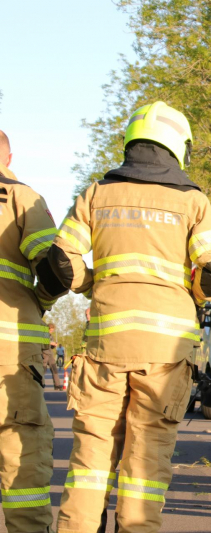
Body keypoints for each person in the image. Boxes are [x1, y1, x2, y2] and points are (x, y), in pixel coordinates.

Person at [50, 102, 211, 533]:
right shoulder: (192, 201)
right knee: (146, 461)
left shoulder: (98, 193)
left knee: (91, 459)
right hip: (165, 355)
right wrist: (188, 294)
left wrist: (92, 282)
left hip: (106, 348)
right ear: (178, 147)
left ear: (132, 142)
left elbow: (60, 258)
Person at [0, 129, 67, 532]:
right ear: (8, 157)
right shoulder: (21, 197)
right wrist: (38, 301)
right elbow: (55, 268)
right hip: (10, 346)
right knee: (20, 452)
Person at [42, 323, 63, 389]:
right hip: (44, 353)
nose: (51, 331)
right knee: (43, 370)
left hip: (50, 354)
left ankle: (57, 385)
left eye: (52, 330)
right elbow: (43, 342)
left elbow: (51, 346)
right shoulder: (43, 334)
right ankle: (41, 384)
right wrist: (50, 343)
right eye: (50, 330)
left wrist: (54, 345)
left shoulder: (51, 336)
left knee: (54, 369)